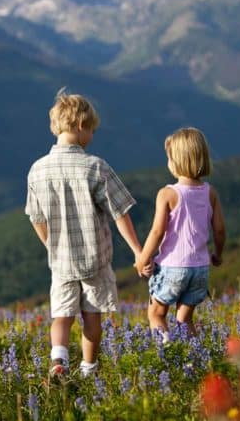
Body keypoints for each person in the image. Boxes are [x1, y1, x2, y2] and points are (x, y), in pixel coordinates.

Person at [25, 89, 144, 378]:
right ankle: (89, 368)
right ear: (80, 126)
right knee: (92, 316)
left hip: (61, 261)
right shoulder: (95, 167)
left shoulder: (37, 170)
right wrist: (139, 252)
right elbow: (120, 213)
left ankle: (58, 359)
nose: (92, 135)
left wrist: (51, 244)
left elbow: (36, 217)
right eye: (91, 130)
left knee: (61, 316)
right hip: (95, 259)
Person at [135, 127, 226, 342]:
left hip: (172, 267)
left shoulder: (167, 193)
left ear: (175, 161)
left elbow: (157, 232)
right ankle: (195, 357)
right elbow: (220, 230)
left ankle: (166, 353)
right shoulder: (210, 192)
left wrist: (143, 259)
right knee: (185, 320)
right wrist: (218, 254)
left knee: (157, 313)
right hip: (200, 268)